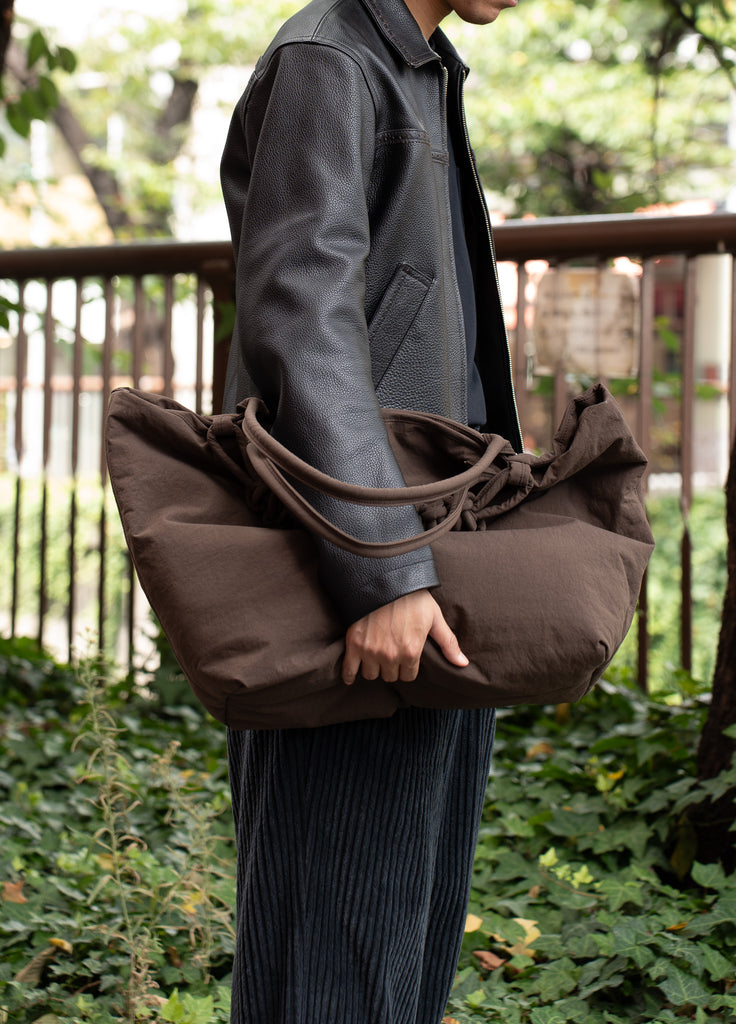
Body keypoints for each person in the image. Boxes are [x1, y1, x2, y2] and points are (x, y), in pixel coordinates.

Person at [219, 0, 523, 1021]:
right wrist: (382, 569)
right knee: (335, 948)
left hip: (424, 550)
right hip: (360, 567)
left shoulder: (419, 64)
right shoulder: (329, 60)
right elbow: (302, 322)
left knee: (405, 938)